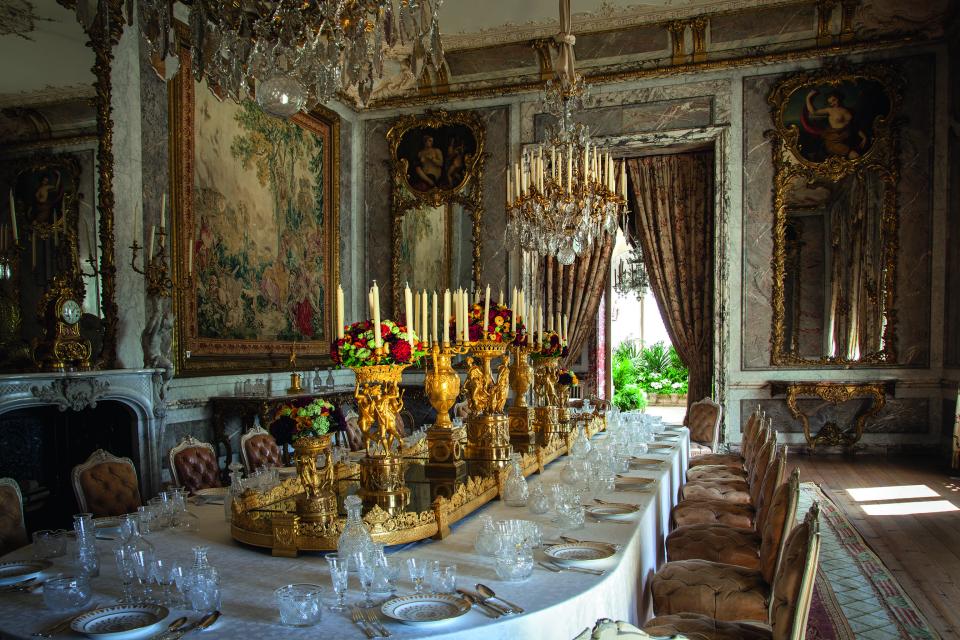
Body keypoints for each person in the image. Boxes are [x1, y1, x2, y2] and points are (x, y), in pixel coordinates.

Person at [802, 89, 868, 159]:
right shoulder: (830, 110)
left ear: (839, 97)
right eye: (830, 103)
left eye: (834, 100)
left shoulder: (849, 110)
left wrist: (864, 137)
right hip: (834, 141)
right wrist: (808, 97)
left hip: (847, 140)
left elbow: (854, 126)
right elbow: (813, 112)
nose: (833, 103)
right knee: (856, 156)